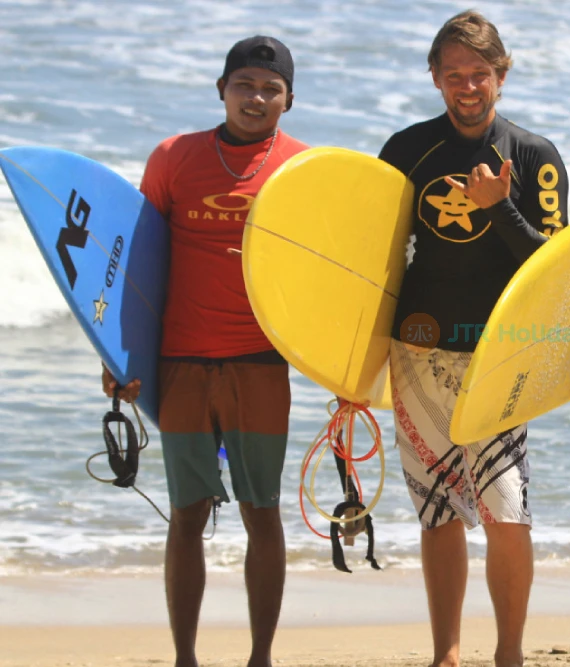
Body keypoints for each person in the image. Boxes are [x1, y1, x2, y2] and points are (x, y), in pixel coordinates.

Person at [102, 35, 309, 667]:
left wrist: (348, 371)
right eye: (244, 84)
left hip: (260, 364)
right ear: (222, 89)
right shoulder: (174, 158)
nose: (256, 97)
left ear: (289, 100)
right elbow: (137, 267)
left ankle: (261, 658)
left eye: (270, 88)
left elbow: (326, 277)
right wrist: (118, 358)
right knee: (186, 513)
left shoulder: (303, 171)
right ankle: (185, 658)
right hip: (182, 365)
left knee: (261, 511)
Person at [377, 10, 569, 667]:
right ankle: (447, 654)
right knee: (437, 512)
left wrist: (499, 208)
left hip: (500, 356)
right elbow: (373, 261)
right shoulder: (406, 151)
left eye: (480, 73)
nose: (467, 86)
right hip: (418, 350)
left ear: (502, 75)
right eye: (454, 74)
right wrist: (351, 366)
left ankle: (509, 653)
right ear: (434, 77)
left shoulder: (534, 156)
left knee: (506, 511)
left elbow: (552, 267)